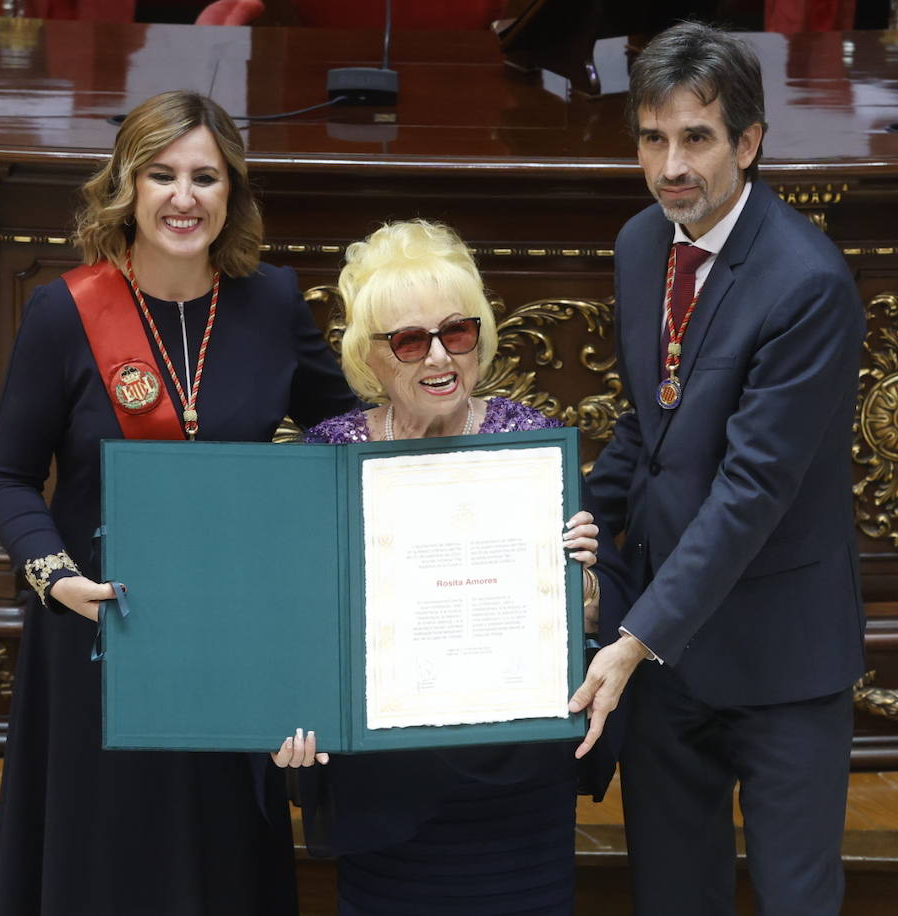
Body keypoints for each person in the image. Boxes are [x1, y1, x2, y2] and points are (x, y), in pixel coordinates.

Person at [0, 90, 357, 915]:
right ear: (128, 187)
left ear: (233, 194)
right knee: (109, 862)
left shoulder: (271, 303)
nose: (184, 198)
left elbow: (351, 434)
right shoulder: (63, 313)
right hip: (99, 634)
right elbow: (7, 479)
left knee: (219, 858)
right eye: (162, 175)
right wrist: (54, 575)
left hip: (231, 636)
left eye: (205, 177)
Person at [567, 22, 867, 916]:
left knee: (793, 899)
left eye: (696, 138)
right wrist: (554, 518)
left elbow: (752, 490)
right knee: (672, 894)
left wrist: (632, 638)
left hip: (781, 659)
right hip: (669, 661)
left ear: (749, 141)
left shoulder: (806, 283)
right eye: (653, 138)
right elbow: (651, 428)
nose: (671, 167)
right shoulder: (637, 245)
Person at [270, 219, 630, 916]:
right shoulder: (328, 461)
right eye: (409, 339)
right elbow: (294, 623)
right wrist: (291, 715)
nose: (438, 356)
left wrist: (583, 590)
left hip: (516, 788)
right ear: (370, 357)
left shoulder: (529, 444)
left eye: (455, 332)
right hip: (384, 792)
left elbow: (605, 599)